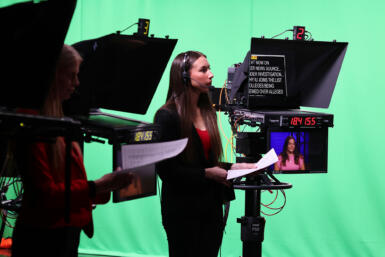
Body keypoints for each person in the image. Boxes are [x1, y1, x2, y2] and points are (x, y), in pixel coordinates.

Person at [11, 44, 134, 257]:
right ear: (53, 75)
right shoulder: (30, 123)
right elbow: (46, 193)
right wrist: (98, 186)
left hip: (66, 232)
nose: (77, 84)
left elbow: (69, 183)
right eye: (71, 76)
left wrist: (105, 187)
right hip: (42, 238)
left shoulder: (60, 119)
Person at [154, 51, 255, 257]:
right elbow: (167, 171)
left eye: (209, 68)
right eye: (203, 69)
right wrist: (208, 174)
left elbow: (205, 161)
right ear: (183, 76)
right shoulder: (166, 116)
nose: (211, 74)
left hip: (211, 208)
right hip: (183, 211)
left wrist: (232, 167)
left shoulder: (207, 112)